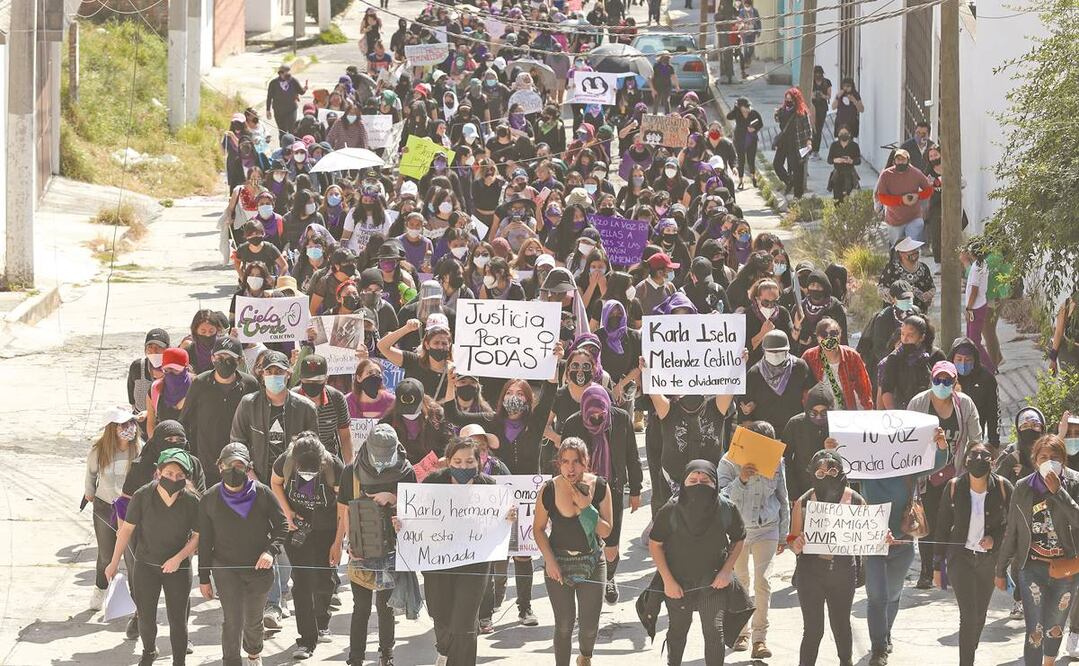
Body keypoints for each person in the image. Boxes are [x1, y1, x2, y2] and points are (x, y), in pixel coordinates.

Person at [229, 349, 318, 626]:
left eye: (279, 372)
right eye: (269, 372)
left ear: (289, 374)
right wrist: (250, 474)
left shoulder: (305, 407)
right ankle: (272, 604)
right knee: (267, 539)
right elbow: (237, 441)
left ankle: (283, 589)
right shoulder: (248, 404)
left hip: (293, 486)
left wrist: (306, 493)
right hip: (258, 484)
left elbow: (313, 451)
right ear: (260, 374)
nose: (274, 376)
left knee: (289, 539)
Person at [409, 437, 512, 666]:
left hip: (474, 565)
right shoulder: (433, 482)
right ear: (448, 461)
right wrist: (404, 524)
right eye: (457, 461)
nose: (463, 467)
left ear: (478, 462)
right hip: (438, 564)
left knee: (465, 624)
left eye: (469, 461)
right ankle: (444, 649)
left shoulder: (489, 488)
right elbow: (416, 516)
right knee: (441, 616)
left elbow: (498, 524)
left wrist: (507, 518)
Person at [860, 418, 950, 666]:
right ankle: (878, 648)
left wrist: (942, 445)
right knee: (876, 596)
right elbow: (839, 464)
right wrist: (833, 449)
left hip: (903, 543)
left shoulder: (907, 469)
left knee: (892, 595)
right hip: (872, 542)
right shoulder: (865, 469)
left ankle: (885, 634)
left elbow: (937, 462)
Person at [648, 459, 749, 665]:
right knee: (677, 630)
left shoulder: (726, 508)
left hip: (713, 582)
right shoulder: (670, 510)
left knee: (714, 632)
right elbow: (655, 544)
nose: (698, 485)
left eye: (705, 481)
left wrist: (726, 571)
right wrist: (668, 581)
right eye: (692, 480)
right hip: (678, 581)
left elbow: (739, 538)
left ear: (715, 484)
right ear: (684, 483)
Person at [105, 448, 200, 666]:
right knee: (146, 616)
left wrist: (178, 558)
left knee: (178, 619)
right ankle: (149, 651)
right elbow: (126, 531)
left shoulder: (192, 501)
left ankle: (179, 660)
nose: (173, 479)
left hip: (179, 567)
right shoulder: (142, 496)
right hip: (146, 564)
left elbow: (197, 537)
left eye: (179, 476)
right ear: (158, 473)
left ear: (186, 477)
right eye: (168, 474)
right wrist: (113, 563)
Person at [197, 443, 288, 666]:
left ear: (249, 468)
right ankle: (231, 660)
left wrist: (270, 551)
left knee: (253, 620)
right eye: (229, 464)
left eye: (240, 465)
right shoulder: (209, 498)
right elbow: (205, 540)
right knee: (232, 620)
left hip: (259, 569)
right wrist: (203, 577)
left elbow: (282, 526)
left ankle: (254, 653)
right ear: (220, 466)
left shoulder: (263, 493)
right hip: (225, 569)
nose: (234, 470)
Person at [996, 434, 1079, 666]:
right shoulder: (1023, 487)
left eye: (1054, 457)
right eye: (1044, 457)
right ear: (1035, 460)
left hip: (1066, 568)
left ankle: (1049, 663)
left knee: (1055, 625)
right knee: (1035, 628)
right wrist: (1000, 570)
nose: (1049, 461)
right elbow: (1011, 531)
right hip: (1032, 566)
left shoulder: (1074, 483)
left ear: (1063, 460)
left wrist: (1059, 493)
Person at [336, 424, 415, 666]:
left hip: (392, 549)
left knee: (385, 606)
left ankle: (386, 655)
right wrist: (347, 542)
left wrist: (394, 500)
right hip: (361, 549)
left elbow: (415, 510)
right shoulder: (351, 471)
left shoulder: (406, 472)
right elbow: (344, 509)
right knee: (360, 606)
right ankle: (355, 658)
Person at [533, 438, 615, 666]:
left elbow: (607, 531)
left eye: (577, 462)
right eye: (565, 462)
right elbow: (538, 529)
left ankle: (585, 656)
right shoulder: (549, 489)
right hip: (558, 561)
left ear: (586, 462)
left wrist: (586, 508)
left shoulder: (599, 486)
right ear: (558, 463)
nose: (571, 468)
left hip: (592, 561)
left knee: (589, 627)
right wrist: (549, 561)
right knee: (564, 625)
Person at [560, 384, 643, 604]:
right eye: (591, 414)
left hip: (612, 488)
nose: (596, 417)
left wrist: (636, 489)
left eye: (600, 414)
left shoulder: (622, 419)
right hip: (580, 489)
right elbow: (562, 460)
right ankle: (589, 583)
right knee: (586, 541)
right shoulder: (572, 423)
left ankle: (610, 578)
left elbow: (632, 456)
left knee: (611, 544)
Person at [906, 361, 985, 590]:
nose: (942, 384)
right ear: (931, 380)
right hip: (927, 475)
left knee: (955, 521)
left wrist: (975, 468)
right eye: (938, 380)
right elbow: (906, 438)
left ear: (954, 382)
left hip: (956, 472)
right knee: (927, 520)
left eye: (947, 380)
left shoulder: (965, 404)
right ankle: (926, 572)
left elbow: (975, 439)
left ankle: (950, 567)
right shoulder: (919, 403)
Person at [932, 443, 1013, 666]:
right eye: (973, 454)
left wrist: (994, 540)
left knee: (979, 616)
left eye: (984, 455)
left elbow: (1013, 524)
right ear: (966, 460)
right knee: (968, 616)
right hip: (961, 559)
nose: (978, 458)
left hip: (989, 561)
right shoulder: (954, 486)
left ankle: (970, 649)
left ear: (992, 462)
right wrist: (937, 566)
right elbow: (941, 526)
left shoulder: (1004, 487)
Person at [716, 421, 789, 658]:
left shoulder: (776, 461)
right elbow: (721, 496)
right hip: (737, 531)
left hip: (767, 528)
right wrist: (742, 480)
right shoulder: (729, 460)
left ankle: (760, 638)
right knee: (741, 582)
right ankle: (741, 633)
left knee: (763, 582)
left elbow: (782, 495)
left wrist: (785, 533)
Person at [270, 431, 343, 660]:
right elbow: (275, 482)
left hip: (326, 530)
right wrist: (287, 512)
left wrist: (338, 542)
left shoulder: (334, 467)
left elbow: (343, 506)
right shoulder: (286, 461)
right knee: (302, 583)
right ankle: (306, 640)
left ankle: (322, 621)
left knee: (325, 581)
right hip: (298, 529)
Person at [786, 449, 863, 666]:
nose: (826, 476)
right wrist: (795, 543)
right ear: (812, 474)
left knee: (841, 625)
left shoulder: (855, 499)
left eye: (832, 471)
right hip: (810, 572)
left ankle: (845, 661)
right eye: (820, 473)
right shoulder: (803, 501)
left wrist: (882, 538)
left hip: (843, 570)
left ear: (840, 471)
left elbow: (870, 533)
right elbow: (792, 536)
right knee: (813, 629)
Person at [181, 336, 259, 485]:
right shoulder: (200, 383)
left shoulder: (250, 384)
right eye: (220, 356)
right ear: (212, 358)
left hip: (239, 464)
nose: (224, 361)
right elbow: (185, 421)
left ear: (240, 360)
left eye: (230, 357)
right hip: (206, 466)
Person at [85, 407, 140, 612]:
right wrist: (89, 492)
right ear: (112, 429)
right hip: (104, 505)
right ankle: (100, 589)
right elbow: (91, 474)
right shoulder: (99, 450)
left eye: (131, 424)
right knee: (107, 554)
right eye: (123, 425)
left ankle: (136, 598)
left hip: (130, 509)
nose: (130, 429)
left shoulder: (139, 449)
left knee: (132, 554)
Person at [741, 330, 814, 436]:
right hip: (765, 434)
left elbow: (810, 395)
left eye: (779, 351)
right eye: (771, 351)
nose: (775, 355)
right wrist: (747, 411)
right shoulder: (755, 373)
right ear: (764, 351)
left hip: (794, 431)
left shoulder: (800, 367)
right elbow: (744, 410)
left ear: (787, 350)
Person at [801, 317, 874, 410]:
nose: (829, 338)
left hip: (845, 415)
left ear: (840, 335)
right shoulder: (809, 357)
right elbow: (802, 389)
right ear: (818, 337)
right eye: (824, 334)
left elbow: (864, 389)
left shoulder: (852, 356)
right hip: (819, 415)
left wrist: (868, 411)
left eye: (833, 333)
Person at [294, 354, 353, 463]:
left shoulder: (337, 398)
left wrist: (350, 467)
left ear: (326, 379)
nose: (312, 384)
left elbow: (345, 436)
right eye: (308, 380)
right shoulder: (291, 399)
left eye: (318, 380)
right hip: (297, 459)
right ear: (301, 378)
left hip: (328, 460)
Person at [878, 314, 946, 410]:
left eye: (910, 335)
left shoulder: (935, 356)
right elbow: (887, 390)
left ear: (921, 337)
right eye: (902, 334)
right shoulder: (894, 358)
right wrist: (894, 413)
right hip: (902, 411)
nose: (905, 339)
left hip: (929, 410)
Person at [948, 336, 1000, 452]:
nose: (963, 363)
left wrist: (993, 443)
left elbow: (994, 412)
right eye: (959, 359)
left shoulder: (986, 379)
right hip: (949, 437)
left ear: (975, 359)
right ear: (952, 359)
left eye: (968, 360)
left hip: (975, 437)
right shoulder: (945, 378)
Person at [874, 149, 933, 243]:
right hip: (894, 219)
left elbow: (929, 190)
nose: (900, 162)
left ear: (908, 160)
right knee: (896, 248)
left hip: (914, 217)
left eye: (903, 159)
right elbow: (882, 197)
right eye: (898, 159)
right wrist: (901, 200)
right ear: (894, 161)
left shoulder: (916, 173)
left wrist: (917, 196)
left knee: (912, 246)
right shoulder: (886, 175)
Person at [960, 240, 996, 374]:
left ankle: (990, 369)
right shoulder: (982, 264)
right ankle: (974, 367)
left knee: (974, 341)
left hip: (975, 308)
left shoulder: (976, 268)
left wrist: (968, 308)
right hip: (979, 305)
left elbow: (974, 290)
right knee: (970, 339)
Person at [772, 88, 812, 198]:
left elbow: (808, 128)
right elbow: (780, 122)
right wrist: (776, 115)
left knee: (797, 169)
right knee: (777, 164)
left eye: (791, 99)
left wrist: (809, 141)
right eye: (787, 99)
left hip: (797, 143)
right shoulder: (783, 110)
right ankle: (789, 181)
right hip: (784, 142)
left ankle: (797, 196)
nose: (788, 101)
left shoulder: (801, 112)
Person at [878, 238, 935, 313]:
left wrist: (929, 295)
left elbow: (931, 287)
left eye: (915, 249)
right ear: (901, 253)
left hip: (919, 314)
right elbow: (881, 289)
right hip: (896, 314)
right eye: (911, 250)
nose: (915, 252)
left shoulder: (924, 268)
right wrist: (899, 300)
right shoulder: (891, 268)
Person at [726, 98, 763, 189]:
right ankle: (741, 181)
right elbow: (728, 116)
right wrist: (735, 108)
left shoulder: (754, 113)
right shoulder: (737, 113)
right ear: (740, 107)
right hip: (739, 140)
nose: (747, 109)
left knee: (751, 160)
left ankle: (753, 178)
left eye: (748, 106)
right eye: (744, 107)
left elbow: (760, 123)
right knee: (741, 160)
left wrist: (754, 129)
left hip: (751, 139)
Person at [266, 65, 307, 140]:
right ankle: (283, 148)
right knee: (282, 132)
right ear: (280, 73)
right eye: (286, 73)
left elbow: (301, 91)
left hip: (291, 109)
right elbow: (269, 97)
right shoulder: (273, 83)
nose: (288, 75)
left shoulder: (293, 81)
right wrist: (268, 110)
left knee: (292, 130)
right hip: (278, 111)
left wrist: (305, 88)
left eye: (289, 72)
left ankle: (293, 147)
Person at [825, 125, 861, 201]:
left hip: (850, 174)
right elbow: (829, 160)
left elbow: (858, 161)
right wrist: (836, 160)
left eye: (845, 132)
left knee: (849, 198)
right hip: (837, 174)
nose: (843, 134)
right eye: (841, 132)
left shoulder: (854, 146)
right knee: (837, 198)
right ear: (838, 134)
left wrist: (851, 161)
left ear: (849, 134)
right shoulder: (834, 145)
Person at [810, 66, 832, 157]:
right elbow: (808, 94)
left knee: (818, 129)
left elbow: (829, 96)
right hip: (812, 106)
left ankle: (816, 150)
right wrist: (814, 95)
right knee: (811, 128)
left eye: (820, 73)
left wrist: (822, 95)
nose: (818, 75)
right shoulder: (811, 81)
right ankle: (810, 149)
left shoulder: (827, 82)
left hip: (822, 107)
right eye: (816, 73)